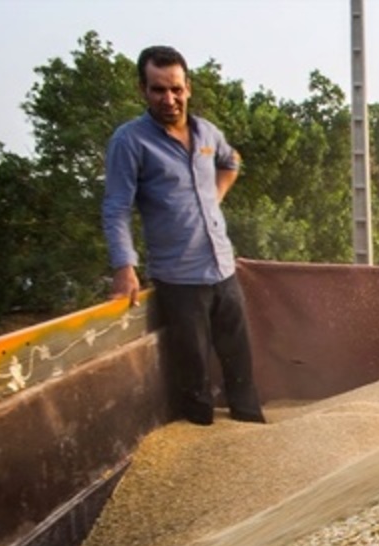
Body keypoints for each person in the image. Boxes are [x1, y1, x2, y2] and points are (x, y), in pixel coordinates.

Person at [102, 45, 265, 425]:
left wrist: (216, 195)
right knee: (192, 369)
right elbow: (116, 207)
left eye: (176, 88)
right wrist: (124, 266)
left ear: (188, 87)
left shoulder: (206, 132)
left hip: (222, 266)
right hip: (179, 277)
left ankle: (251, 425)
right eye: (159, 89)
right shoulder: (130, 142)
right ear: (143, 90)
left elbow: (232, 160)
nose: (169, 98)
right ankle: (199, 434)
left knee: (239, 358)